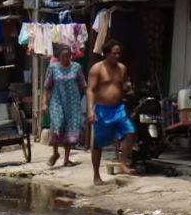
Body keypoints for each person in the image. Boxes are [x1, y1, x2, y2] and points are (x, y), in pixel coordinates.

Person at [87, 39, 137, 185]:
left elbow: (124, 84)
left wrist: (127, 87)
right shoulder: (97, 69)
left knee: (130, 131)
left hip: (118, 108)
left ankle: (123, 163)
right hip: (102, 109)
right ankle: (96, 175)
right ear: (106, 54)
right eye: (114, 53)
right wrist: (90, 110)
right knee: (98, 143)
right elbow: (90, 90)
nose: (117, 56)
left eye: (118, 53)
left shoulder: (122, 68)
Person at [43, 44, 86, 167]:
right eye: (64, 56)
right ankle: (55, 153)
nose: (66, 58)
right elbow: (46, 87)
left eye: (69, 56)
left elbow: (83, 84)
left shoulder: (76, 67)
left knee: (69, 129)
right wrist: (44, 103)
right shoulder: (53, 69)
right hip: (57, 101)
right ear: (59, 56)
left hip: (73, 103)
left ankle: (66, 159)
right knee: (58, 124)